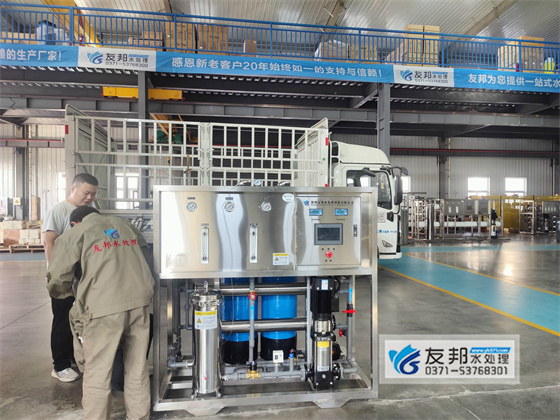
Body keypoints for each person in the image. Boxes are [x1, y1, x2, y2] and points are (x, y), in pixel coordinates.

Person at [46, 206, 154, 420]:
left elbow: (57, 278)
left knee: (98, 371)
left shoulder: (76, 233)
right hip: (139, 303)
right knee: (137, 366)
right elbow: (144, 255)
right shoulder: (128, 228)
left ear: (74, 223)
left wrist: (67, 293)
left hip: (102, 308)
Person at [43, 173, 98, 383]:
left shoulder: (90, 210)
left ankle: (72, 357)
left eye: (93, 194)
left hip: (82, 277)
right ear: (73, 188)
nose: (89, 197)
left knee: (78, 320)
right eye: (86, 193)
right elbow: (49, 242)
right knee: (62, 320)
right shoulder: (59, 210)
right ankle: (60, 366)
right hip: (64, 278)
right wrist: (57, 275)